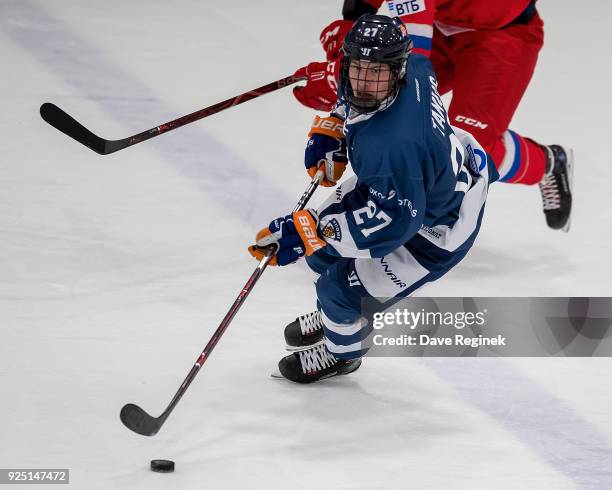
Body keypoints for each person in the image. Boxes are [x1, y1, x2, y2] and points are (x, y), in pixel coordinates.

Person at [248, 15, 498, 383]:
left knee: (340, 291)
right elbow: (357, 94)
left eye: (376, 72)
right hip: (412, 184)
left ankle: (342, 353)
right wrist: (335, 123)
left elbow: (397, 223)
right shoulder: (414, 63)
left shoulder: (393, 145)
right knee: (323, 259)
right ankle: (333, 313)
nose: (364, 82)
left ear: (395, 71)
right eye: (358, 68)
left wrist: (314, 230)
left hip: (435, 228)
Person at [293, 0, 573, 231]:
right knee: (383, 94)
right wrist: (350, 35)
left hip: (500, 34)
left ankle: (548, 162)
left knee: (472, 149)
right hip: (439, 24)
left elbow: (413, 70)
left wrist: (340, 80)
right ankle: (389, 206)